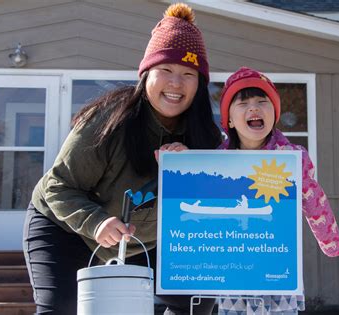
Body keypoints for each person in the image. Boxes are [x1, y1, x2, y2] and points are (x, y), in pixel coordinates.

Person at [22, 3, 221, 314]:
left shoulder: (207, 139)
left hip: (146, 241)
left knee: (198, 299)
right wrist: (96, 221)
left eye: (188, 74)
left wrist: (192, 171)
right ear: (146, 74)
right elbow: (59, 187)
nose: (176, 84)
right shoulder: (108, 121)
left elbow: (216, 206)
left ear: (199, 84)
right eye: (165, 70)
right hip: (66, 227)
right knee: (59, 309)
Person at [216, 67, 339, 315]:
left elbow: (313, 197)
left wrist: (330, 241)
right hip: (233, 269)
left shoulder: (290, 157)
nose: (254, 108)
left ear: (274, 114)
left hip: (277, 266)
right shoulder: (217, 162)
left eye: (262, 102)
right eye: (243, 103)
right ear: (229, 119)